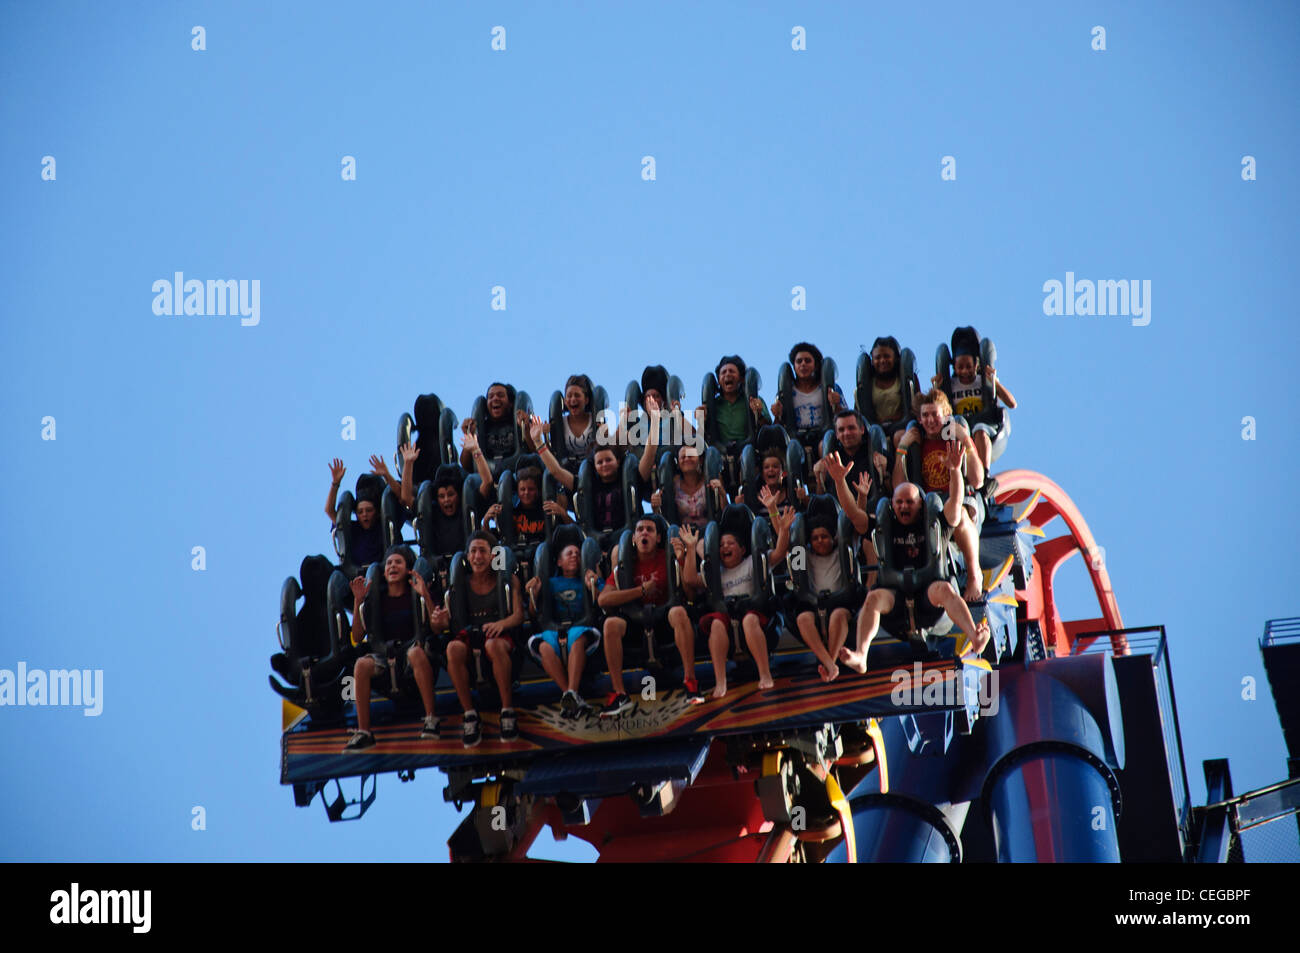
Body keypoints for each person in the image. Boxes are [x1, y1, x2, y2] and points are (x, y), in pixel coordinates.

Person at [835, 450, 991, 673]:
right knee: (873, 598)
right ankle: (861, 655)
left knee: (944, 589)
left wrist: (955, 471)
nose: (903, 506)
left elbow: (955, 506)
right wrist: (840, 481)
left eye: (909, 502)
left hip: (929, 602)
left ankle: (974, 636)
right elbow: (853, 514)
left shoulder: (935, 523)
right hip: (896, 605)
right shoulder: (885, 524)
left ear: (920, 505)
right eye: (899, 502)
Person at [681, 489, 795, 696]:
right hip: (726, 620)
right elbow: (690, 579)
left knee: (749, 620)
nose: (725, 547)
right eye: (721, 544)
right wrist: (690, 550)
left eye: (730, 543)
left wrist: (781, 526)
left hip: (756, 617)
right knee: (715, 623)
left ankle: (765, 674)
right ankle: (721, 682)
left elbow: (779, 552)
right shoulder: (716, 571)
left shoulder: (754, 562)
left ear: (742, 549)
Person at [342, 545, 447, 751]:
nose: (392, 566)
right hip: (385, 659)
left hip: (412, 657)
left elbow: (437, 627)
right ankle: (364, 732)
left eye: (398, 562)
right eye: (389, 563)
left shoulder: (415, 595)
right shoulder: (376, 599)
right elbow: (357, 636)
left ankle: (431, 719)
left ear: (408, 568)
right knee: (361, 664)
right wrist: (358, 602)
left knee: (416, 652)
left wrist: (425, 594)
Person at [597, 516, 701, 715]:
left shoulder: (667, 557)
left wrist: (683, 557)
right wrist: (640, 591)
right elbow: (603, 600)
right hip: (635, 622)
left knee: (679, 612)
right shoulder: (625, 565)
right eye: (640, 530)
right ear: (634, 539)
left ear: (659, 538)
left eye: (650, 530)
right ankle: (620, 694)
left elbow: (690, 594)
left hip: (664, 619)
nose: (644, 533)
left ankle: (691, 682)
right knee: (610, 624)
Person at [893, 389, 985, 602]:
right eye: (925, 415)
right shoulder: (917, 441)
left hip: (957, 500)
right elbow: (899, 487)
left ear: (946, 415)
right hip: (926, 505)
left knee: (960, 514)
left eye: (935, 414)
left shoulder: (954, 437)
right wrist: (902, 448)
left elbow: (978, 480)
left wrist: (965, 439)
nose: (930, 420)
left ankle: (974, 574)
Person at [445, 531, 527, 747]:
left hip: (499, 639)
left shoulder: (508, 580)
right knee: (452, 649)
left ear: (493, 556)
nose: (477, 556)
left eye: (482, 551)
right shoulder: (460, 584)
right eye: (473, 551)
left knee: (493, 645)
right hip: (470, 640)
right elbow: (442, 625)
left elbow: (519, 615)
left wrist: (502, 624)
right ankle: (470, 714)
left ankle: (507, 711)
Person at [524, 543, 604, 718]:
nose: (574, 555)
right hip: (554, 628)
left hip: (580, 626)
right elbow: (533, 612)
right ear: (559, 562)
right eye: (569, 553)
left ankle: (571, 692)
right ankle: (569, 694)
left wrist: (594, 584)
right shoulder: (551, 583)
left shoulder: (587, 578)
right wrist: (533, 595)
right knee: (544, 647)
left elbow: (604, 603)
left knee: (577, 640)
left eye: (577, 553)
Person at [789, 505, 856, 683]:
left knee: (838, 615)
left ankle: (830, 664)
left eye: (824, 537)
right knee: (803, 618)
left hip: (840, 601)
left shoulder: (841, 552)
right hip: (812, 602)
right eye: (815, 538)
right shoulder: (805, 555)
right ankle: (830, 665)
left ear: (833, 538)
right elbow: (793, 562)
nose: (820, 541)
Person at [938, 327, 1018, 472]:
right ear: (954, 367)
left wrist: (994, 382)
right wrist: (936, 388)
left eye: (969, 366)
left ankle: (984, 473)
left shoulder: (983, 381)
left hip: (983, 424)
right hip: (960, 427)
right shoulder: (950, 386)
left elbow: (1012, 404)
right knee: (958, 429)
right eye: (960, 367)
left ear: (976, 365)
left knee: (980, 429)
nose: (964, 371)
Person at [770, 342, 841, 440]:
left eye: (807, 361)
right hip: (795, 437)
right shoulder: (785, 392)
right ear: (794, 367)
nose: (803, 364)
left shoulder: (831, 389)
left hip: (823, 436)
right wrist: (777, 415)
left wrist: (836, 404)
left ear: (815, 366)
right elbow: (778, 425)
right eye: (799, 361)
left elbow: (845, 416)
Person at [325, 458, 385, 570]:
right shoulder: (352, 529)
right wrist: (335, 484)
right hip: (355, 575)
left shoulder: (383, 527)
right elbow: (329, 511)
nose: (364, 515)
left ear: (377, 512)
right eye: (360, 512)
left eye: (369, 510)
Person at [650, 443, 725, 532]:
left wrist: (722, 494)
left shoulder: (710, 480)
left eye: (690, 456)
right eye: (683, 457)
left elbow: (725, 513)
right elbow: (663, 519)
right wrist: (655, 507)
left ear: (700, 460)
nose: (686, 459)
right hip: (681, 535)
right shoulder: (673, 484)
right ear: (678, 464)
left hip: (708, 534)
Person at [460, 382, 531, 475]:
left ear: (510, 403)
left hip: (516, 474)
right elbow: (466, 466)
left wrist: (526, 430)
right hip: (485, 475)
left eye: (500, 395)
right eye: (491, 396)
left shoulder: (518, 424)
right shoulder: (482, 427)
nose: (495, 398)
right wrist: (469, 435)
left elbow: (535, 454)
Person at [863, 336, 920, 447]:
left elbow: (918, 404)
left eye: (887, 356)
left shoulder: (906, 380)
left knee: (901, 436)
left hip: (900, 426)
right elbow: (860, 411)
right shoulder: (868, 383)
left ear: (896, 358)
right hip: (876, 428)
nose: (882, 361)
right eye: (878, 357)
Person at [551, 374, 602, 475]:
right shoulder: (560, 423)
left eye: (577, 395)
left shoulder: (596, 420)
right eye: (569, 396)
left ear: (586, 400)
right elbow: (553, 454)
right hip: (567, 471)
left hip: (593, 469)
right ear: (565, 401)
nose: (573, 399)